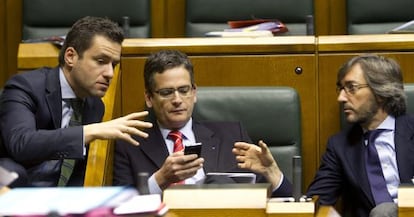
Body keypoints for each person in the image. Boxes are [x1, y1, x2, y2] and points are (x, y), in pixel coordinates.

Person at [233, 54, 414, 217]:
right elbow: (314, 206)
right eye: (341, 89)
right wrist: (272, 173)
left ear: (381, 92)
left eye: (351, 88)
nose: (341, 98)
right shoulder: (341, 147)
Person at [113, 49, 291, 196]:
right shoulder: (129, 144)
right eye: (167, 92)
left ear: (194, 92)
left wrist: (272, 173)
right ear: (149, 98)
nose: (177, 100)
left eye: (184, 90)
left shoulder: (231, 135)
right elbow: (119, 209)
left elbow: (289, 203)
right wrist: (160, 180)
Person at [0, 16, 153, 187]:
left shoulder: (94, 106)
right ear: (71, 56)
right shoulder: (26, 87)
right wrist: (88, 132)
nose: (110, 73)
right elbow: (21, 144)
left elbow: (77, 173)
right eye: (101, 61)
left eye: (114, 65)